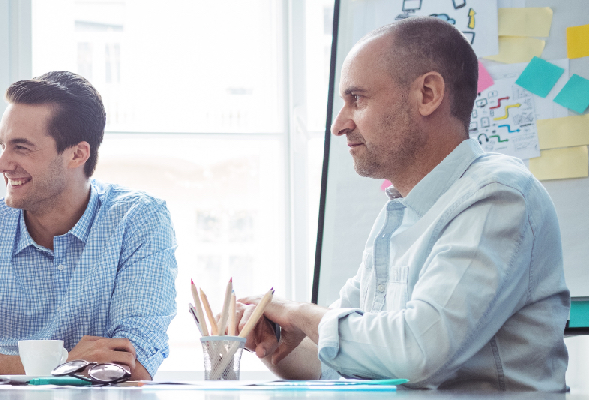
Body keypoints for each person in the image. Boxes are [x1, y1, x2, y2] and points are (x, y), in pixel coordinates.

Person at [238, 17, 569, 391]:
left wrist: (298, 313)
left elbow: (416, 351)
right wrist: (272, 344)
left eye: (357, 99)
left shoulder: (499, 196)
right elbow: (338, 359)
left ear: (427, 94)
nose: (339, 124)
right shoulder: (399, 215)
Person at [0, 71, 177, 380]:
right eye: (3, 146)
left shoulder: (138, 220)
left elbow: (133, 366)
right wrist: (57, 364)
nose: (2, 164)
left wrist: (25, 369)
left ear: (77, 154)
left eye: (21, 148)